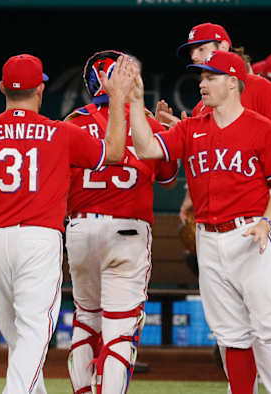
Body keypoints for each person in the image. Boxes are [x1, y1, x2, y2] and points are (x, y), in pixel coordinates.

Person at [0, 54, 138, 394]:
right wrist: (117, 99)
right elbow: (115, 152)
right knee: (32, 335)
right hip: (38, 240)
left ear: (3, 87)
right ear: (41, 89)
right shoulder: (61, 132)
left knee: (20, 339)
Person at [129, 50, 271, 394]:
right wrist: (136, 102)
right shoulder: (190, 128)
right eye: (202, 77)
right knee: (231, 335)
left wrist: (267, 223)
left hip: (250, 234)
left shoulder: (263, 129)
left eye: (210, 77)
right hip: (208, 239)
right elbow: (148, 147)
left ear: (232, 82)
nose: (202, 83)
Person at [166, 22, 271, 392]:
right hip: (226, 219)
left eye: (203, 49)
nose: (197, 57)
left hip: (268, 205)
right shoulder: (205, 107)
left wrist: (263, 199)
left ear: (226, 46)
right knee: (239, 324)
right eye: (193, 53)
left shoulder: (261, 88)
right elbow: (210, 154)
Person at [64, 50, 178, 394]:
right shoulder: (145, 120)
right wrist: (161, 129)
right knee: (119, 331)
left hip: (81, 229)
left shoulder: (71, 123)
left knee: (86, 322)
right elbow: (169, 175)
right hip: (127, 231)